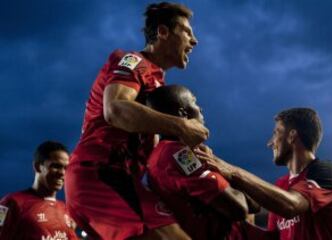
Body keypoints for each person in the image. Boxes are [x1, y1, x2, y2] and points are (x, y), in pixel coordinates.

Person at [65, 2, 208, 240]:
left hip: (122, 179)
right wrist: (181, 126)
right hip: (99, 175)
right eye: (187, 31)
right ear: (162, 32)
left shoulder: (157, 83)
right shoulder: (133, 61)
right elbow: (116, 109)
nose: (194, 41)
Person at [195, 108, 332, 240]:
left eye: (276, 133)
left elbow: (292, 205)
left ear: (292, 136)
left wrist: (232, 172)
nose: (270, 142)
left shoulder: (328, 171)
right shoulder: (281, 185)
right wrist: (226, 222)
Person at [145, 85, 260, 240]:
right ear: (183, 114)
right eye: (195, 102)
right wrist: (222, 173)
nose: (201, 109)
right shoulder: (178, 154)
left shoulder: (162, 153)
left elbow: (254, 205)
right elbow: (239, 208)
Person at [0, 141, 77, 240]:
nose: (62, 173)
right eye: (56, 166)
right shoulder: (9, 203)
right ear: (37, 166)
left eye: (66, 168)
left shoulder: (66, 210)